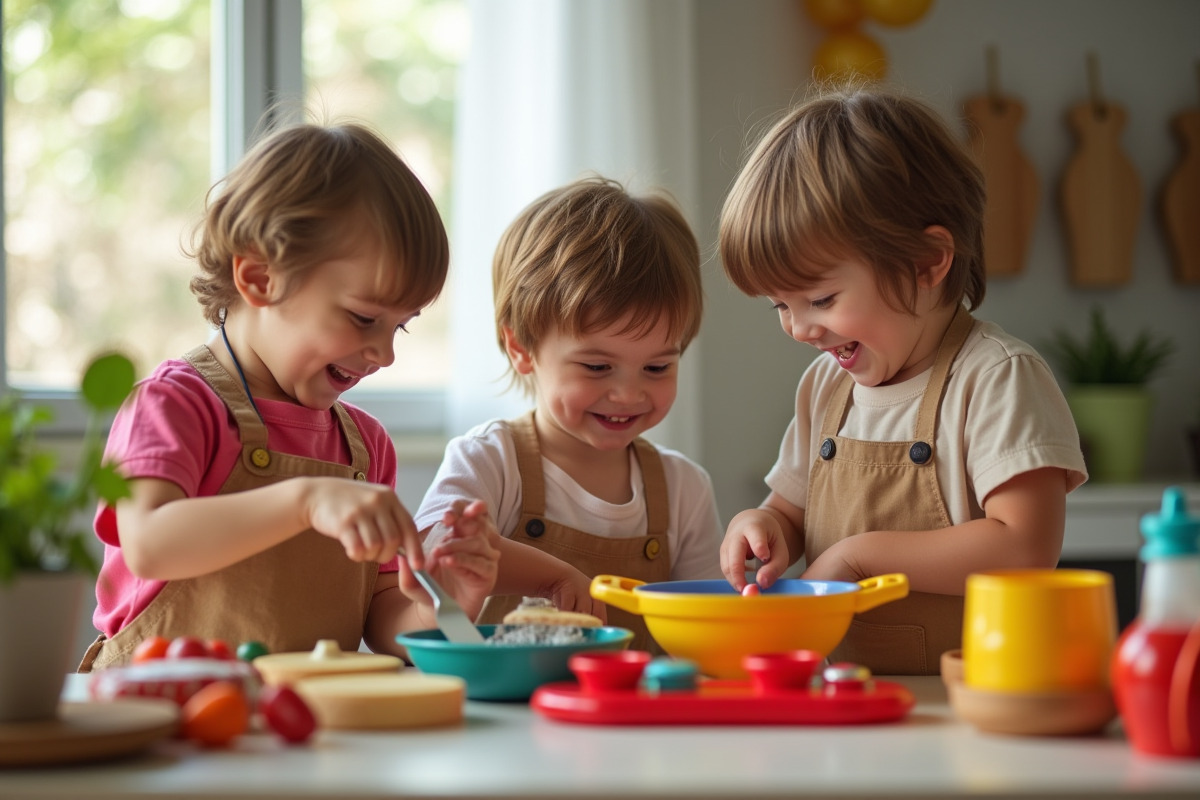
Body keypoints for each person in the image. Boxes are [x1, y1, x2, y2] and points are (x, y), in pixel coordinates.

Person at [80, 120, 500, 671]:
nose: (384, 353)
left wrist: (438, 608)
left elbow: (380, 618)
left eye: (399, 327)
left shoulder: (365, 448)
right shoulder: (173, 405)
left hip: (304, 736)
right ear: (259, 279)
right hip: (164, 726)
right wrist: (306, 501)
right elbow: (150, 543)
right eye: (364, 317)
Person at [717, 86, 1087, 675]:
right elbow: (790, 509)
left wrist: (860, 557)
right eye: (779, 306)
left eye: (820, 298)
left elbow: (1023, 548)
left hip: (964, 707)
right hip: (841, 697)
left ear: (927, 262)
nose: (799, 329)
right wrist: (760, 526)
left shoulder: (996, 377)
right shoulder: (824, 389)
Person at [415, 176, 723, 651]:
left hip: (642, 722)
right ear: (522, 349)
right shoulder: (490, 461)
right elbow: (435, 557)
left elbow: (709, 634)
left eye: (658, 366)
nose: (628, 393)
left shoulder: (685, 490)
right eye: (597, 366)